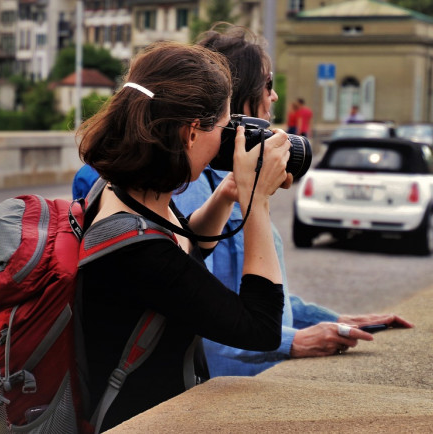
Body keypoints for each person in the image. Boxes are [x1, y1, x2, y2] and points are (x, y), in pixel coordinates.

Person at [172, 24, 413, 377]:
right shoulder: (192, 185)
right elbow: (197, 310)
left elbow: (258, 295)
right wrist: (294, 341)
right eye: (268, 85)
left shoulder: (228, 179)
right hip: (221, 390)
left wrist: (332, 320)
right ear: (237, 97)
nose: (274, 98)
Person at [76, 40, 291, 431]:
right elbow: (260, 329)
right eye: (225, 129)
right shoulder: (137, 252)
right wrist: (256, 201)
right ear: (192, 133)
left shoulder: (125, 191)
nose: (227, 141)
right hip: (137, 421)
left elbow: (185, 250)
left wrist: (227, 194)